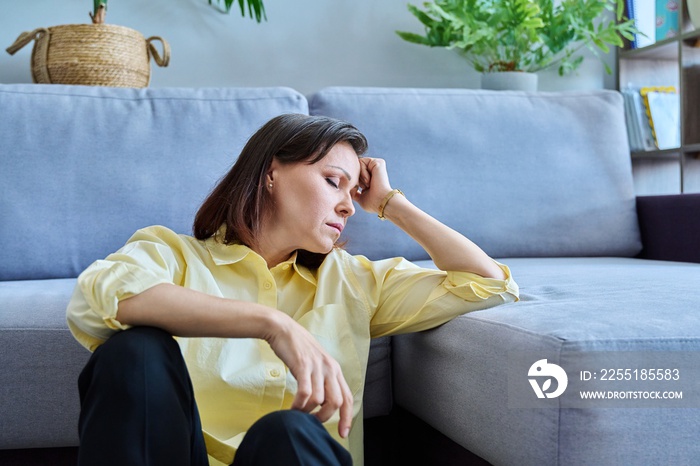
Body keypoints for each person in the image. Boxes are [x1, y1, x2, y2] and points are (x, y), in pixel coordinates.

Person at [66, 113, 519, 466]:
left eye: (353, 191)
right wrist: (273, 324)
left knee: (288, 433)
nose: (348, 205)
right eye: (332, 181)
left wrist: (388, 203)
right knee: (135, 351)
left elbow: (488, 283)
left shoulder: (352, 281)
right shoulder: (174, 254)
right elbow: (101, 298)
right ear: (270, 174)